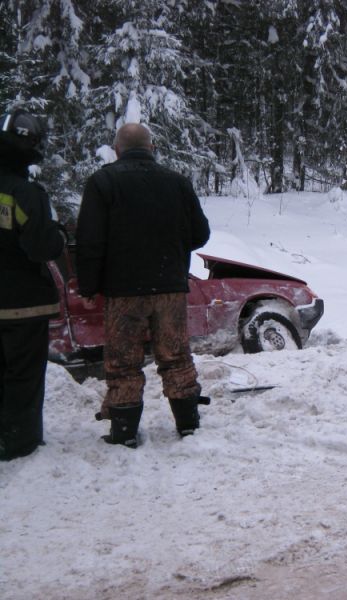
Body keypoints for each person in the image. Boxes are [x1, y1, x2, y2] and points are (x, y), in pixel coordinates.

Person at [76, 122, 211, 448]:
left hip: (123, 291)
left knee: (123, 362)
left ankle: (123, 432)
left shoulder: (102, 182)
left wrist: (89, 286)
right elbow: (200, 234)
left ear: (118, 150)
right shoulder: (177, 182)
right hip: (169, 287)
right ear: (152, 148)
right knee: (176, 357)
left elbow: (89, 241)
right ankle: (188, 425)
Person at [0, 109, 66, 461]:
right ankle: (18, 442)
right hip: (21, 305)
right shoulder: (25, 194)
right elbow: (42, 247)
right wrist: (57, 234)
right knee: (22, 375)